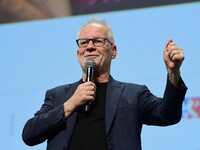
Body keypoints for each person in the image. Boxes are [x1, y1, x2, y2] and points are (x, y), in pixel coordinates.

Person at [22, 18, 187, 150]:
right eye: (84, 42)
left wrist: (173, 72)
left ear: (113, 51)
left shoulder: (133, 94)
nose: (90, 47)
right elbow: (29, 134)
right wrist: (70, 104)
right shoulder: (58, 96)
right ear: (78, 53)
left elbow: (168, 115)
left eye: (98, 41)